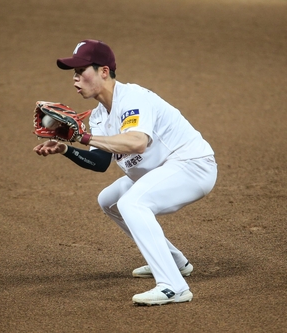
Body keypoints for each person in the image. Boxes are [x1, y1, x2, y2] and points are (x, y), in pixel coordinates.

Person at [33, 39, 218, 305]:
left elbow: (137, 142)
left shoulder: (132, 98)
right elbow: (100, 161)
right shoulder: (98, 116)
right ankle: (175, 262)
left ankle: (174, 287)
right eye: (73, 73)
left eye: (81, 71)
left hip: (192, 166)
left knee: (132, 202)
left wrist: (84, 138)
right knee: (110, 200)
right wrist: (66, 149)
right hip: (165, 169)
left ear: (104, 71)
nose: (75, 78)